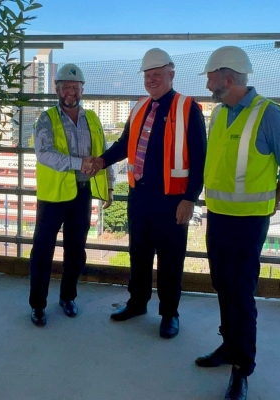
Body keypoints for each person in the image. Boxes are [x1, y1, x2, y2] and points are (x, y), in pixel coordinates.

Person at [195, 46, 280, 400]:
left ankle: (242, 369)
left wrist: (274, 201)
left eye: (210, 77)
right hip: (219, 217)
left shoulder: (268, 114)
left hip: (248, 223)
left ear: (227, 78)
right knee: (222, 286)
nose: (208, 84)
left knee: (241, 295)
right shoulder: (220, 114)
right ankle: (228, 347)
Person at [92, 48, 207, 339]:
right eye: (147, 75)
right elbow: (124, 144)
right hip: (139, 196)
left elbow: (200, 158)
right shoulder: (140, 107)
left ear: (171, 74)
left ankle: (169, 314)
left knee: (171, 260)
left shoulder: (187, 108)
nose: (152, 80)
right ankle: (137, 303)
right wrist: (102, 161)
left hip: (172, 200)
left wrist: (190, 198)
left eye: (157, 74)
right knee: (139, 255)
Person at [28, 63, 115, 327]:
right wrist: (79, 164)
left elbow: (103, 152)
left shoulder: (92, 119)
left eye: (76, 87)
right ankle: (38, 306)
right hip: (53, 197)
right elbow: (44, 154)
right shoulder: (46, 118)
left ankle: (68, 297)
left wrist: (109, 185)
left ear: (82, 90)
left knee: (76, 252)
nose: (71, 92)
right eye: (66, 86)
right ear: (56, 89)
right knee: (42, 252)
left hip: (82, 194)